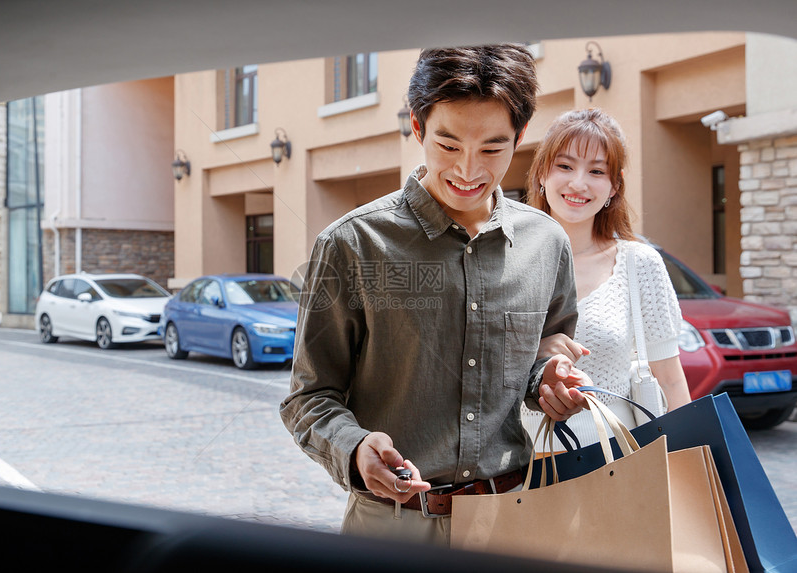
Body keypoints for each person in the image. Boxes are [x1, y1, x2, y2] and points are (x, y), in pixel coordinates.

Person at [279, 44, 590, 546]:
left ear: (520, 137)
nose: (468, 170)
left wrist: (550, 383)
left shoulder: (547, 243)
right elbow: (308, 397)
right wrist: (355, 449)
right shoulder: (351, 244)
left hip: (513, 521)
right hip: (390, 526)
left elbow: (539, 362)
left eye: (492, 148)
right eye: (448, 146)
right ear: (418, 129)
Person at [521, 108, 692, 451]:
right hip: (520, 467)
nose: (579, 183)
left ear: (614, 186)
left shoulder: (638, 263)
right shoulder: (505, 260)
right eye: (565, 166)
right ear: (541, 173)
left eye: (596, 171)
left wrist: (688, 458)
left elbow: (671, 379)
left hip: (616, 460)